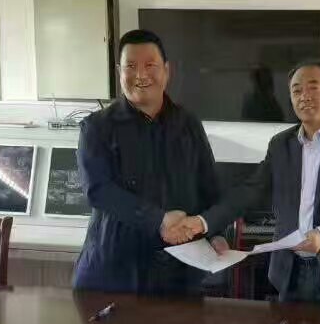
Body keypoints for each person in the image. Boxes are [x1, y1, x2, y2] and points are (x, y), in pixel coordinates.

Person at [178, 60, 320, 308]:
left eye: (313, 87)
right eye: (297, 90)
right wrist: (204, 221)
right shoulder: (281, 144)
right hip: (291, 273)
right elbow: (250, 191)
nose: (304, 96)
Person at [73, 29, 227, 294]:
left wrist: (216, 232)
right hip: (115, 272)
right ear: (119, 72)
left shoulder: (188, 124)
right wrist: (159, 220)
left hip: (178, 273)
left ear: (166, 71)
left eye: (150, 65)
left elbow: (209, 187)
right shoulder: (97, 127)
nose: (141, 75)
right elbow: (98, 190)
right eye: (131, 66)